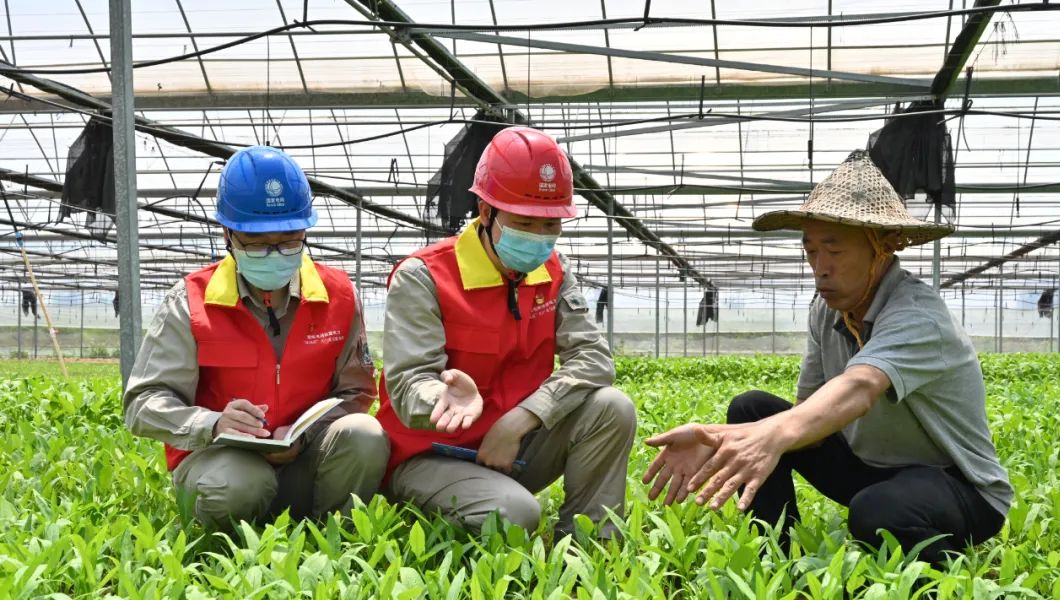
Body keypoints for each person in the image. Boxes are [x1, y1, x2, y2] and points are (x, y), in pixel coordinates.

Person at [643, 150, 1013, 562]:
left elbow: (860, 387)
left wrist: (768, 436)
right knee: (753, 409)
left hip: (956, 486)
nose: (820, 267)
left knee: (876, 512)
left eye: (834, 251)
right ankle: (775, 557)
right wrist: (720, 437)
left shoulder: (917, 315)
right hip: (870, 469)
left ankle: (946, 580)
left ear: (881, 249)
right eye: (812, 250)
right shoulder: (826, 311)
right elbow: (809, 419)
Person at [377, 126, 635, 539]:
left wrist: (518, 421)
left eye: (551, 226)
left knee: (611, 407)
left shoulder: (553, 272)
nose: (540, 238)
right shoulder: (424, 276)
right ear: (485, 212)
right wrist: (444, 400)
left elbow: (593, 359)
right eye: (524, 223)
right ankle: (431, 517)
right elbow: (409, 385)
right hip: (434, 455)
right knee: (515, 515)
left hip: (512, 447)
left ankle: (591, 550)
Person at [124, 145, 388, 530]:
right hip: (223, 461)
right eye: (258, 242)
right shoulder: (192, 301)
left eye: (290, 241)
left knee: (366, 434)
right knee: (238, 485)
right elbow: (142, 404)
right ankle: (236, 544)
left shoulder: (338, 295)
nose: (275, 253)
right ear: (227, 234)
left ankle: (334, 539)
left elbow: (357, 393)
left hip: (304, 460)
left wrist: (304, 432)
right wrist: (213, 423)